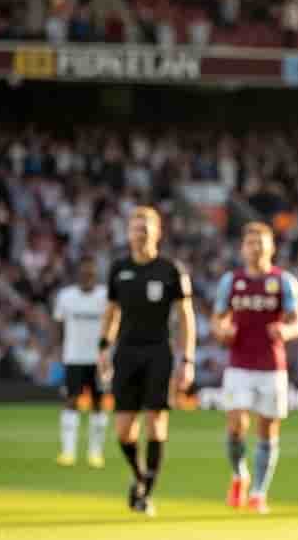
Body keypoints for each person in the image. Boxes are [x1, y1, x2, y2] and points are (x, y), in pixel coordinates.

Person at [96, 206, 195, 516]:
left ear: (158, 232)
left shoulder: (170, 270)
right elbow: (111, 312)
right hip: (125, 352)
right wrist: (103, 348)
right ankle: (140, 476)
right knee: (124, 430)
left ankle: (146, 493)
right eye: (135, 227)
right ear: (128, 233)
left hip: (158, 352)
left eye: (146, 227)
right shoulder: (118, 269)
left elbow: (185, 316)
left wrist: (187, 358)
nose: (140, 233)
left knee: (156, 421)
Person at [211, 222, 298, 514]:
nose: (256, 248)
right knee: (237, 423)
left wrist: (286, 331)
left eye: (261, 243)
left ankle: (258, 493)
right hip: (239, 364)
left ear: (271, 247)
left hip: (271, 366)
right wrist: (222, 331)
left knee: (268, 428)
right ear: (242, 248)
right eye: (250, 243)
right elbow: (218, 319)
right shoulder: (232, 281)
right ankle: (239, 474)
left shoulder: (284, 281)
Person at [53, 261, 109, 469]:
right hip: (73, 357)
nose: (87, 278)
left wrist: (109, 353)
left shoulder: (105, 296)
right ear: (78, 275)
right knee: (71, 401)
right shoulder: (66, 297)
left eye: (90, 274)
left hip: (98, 360)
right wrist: (57, 350)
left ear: (96, 275)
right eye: (83, 274)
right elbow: (58, 324)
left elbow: (115, 322)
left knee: (98, 403)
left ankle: (95, 453)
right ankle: (68, 452)